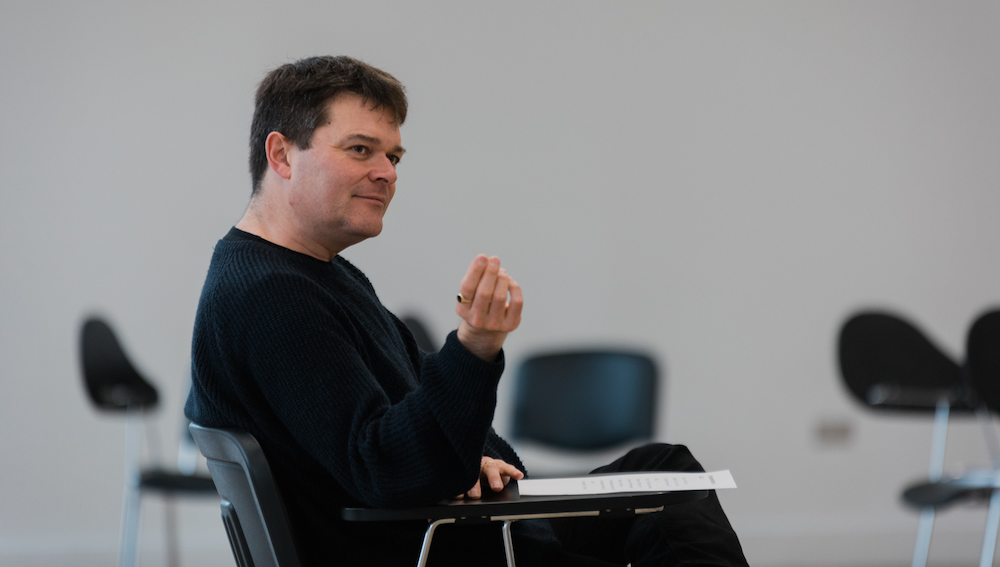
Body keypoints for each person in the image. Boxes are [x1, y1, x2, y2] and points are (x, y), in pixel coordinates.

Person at [185, 55, 748, 567]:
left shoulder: (311, 274)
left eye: (393, 156)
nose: (387, 172)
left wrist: (468, 454)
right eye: (360, 149)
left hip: (463, 527)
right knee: (673, 509)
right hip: (443, 545)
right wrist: (474, 347)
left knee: (665, 469)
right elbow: (383, 467)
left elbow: (411, 413)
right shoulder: (272, 295)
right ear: (282, 154)